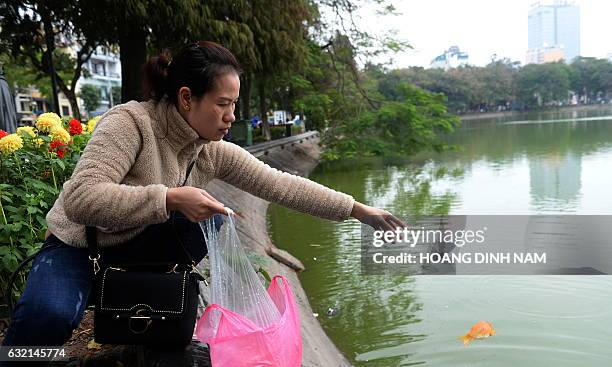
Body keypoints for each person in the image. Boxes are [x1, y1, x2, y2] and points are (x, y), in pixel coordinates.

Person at [1, 41, 403, 351]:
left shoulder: (210, 147)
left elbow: (279, 184)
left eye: (234, 105)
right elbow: (82, 198)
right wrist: (170, 198)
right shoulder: (129, 124)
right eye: (223, 105)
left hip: (136, 248)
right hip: (79, 246)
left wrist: (356, 209)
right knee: (47, 316)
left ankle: (150, 313)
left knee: (211, 221)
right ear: (187, 98)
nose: (231, 116)